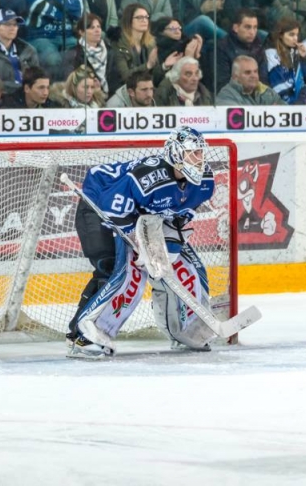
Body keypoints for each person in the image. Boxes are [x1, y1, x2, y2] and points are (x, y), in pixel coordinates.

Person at [66, 126, 218, 358]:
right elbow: (112, 209)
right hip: (98, 201)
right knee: (115, 268)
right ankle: (82, 336)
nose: (200, 158)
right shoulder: (148, 178)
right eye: (193, 153)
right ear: (176, 154)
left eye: (201, 152)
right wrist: (139, 245)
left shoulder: (204, 180)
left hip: (139, 214)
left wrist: (168, 247)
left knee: (184, 266)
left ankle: (185, 330)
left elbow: (180, 215)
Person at [16, 0, 85, 72]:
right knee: (53, 60)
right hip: (39, 37)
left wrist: (51, 1)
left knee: (86, 51)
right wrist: (65, 8)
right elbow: (38, 6)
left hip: (67, 35)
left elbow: (79, 6)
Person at [0, 9, 40, 95]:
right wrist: (20, 88)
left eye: (15, 25)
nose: (13, 28)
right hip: (1, 97)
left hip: (27, 96)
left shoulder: (28, 50)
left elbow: (37, 78)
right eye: (8, 24)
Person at [215, 8, 264, 91]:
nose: (252, 32)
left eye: (255, 27)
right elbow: (222, 83)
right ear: (236, 28)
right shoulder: (222, 48)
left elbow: (264, 78)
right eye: (248, 27)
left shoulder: (258, 46)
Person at [61, 13, 111, 93]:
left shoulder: (109, 50)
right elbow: (71, 83)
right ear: (81, 32)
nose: (97, 30)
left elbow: (115, 78)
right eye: (92, 28)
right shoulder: (73, 54)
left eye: (98, 27)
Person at [263, 17, 306, 105]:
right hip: (282, 103)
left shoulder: (296, 52)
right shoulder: (271, 54)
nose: (295, 38)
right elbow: (279, 86)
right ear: (280, 35)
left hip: (299, 100)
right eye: (291, 35)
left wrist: (305, 58)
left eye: (297, 35)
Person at [216, 55, 284, 105]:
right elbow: (236, 119)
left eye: (255, 71)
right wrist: (269, 113)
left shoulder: (266, 91)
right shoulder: (226, 95)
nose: (253, 76)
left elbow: (286, 111)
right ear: (235, 77)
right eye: (247, 72)